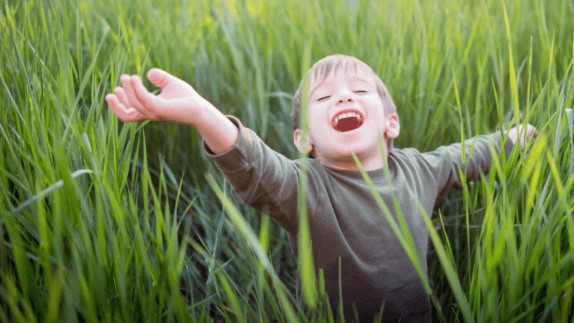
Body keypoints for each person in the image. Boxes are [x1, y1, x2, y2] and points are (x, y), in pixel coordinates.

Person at [105, 54, 537, 322]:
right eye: (324, 98)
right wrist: (202, 113)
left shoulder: (420, 170)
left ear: (391, 123)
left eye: (359, 90)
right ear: (304, 140)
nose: (344, 99)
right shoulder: (303, 187)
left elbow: (470, 154)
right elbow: (254, 163)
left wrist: (516, 137)